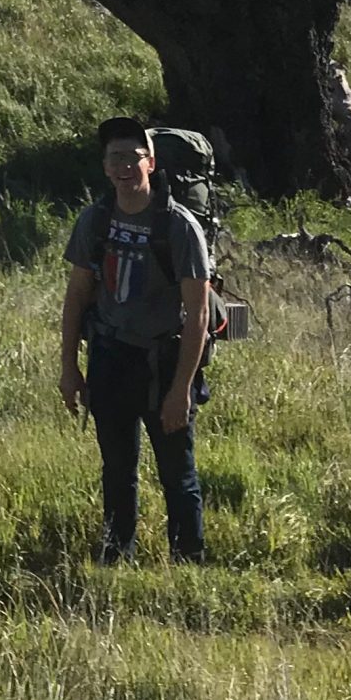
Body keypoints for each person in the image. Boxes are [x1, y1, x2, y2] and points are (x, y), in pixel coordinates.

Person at [59, 115, 212, 565]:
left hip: (164, 362)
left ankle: (189, 565)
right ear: (105, 166)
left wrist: (181, 390)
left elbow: (199, 314)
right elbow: (76, 298)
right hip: (110, 359)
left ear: (151, 162)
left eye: (133, 156)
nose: (124, 166)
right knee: (117, 471)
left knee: (176, 474)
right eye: (115, 157)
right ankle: (115, 558)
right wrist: (70, 368)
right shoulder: (96, 219)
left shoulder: (179, 227)